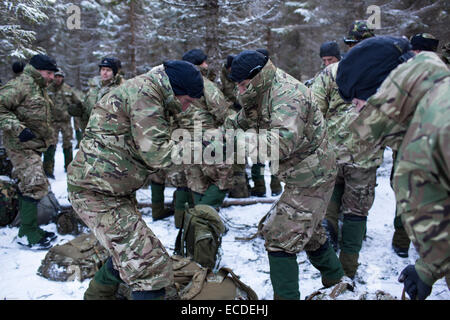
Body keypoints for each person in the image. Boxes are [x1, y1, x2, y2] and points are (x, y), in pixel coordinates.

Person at [67, 60, 205, 300]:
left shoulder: (151, 92)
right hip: (96, 193)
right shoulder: (144, 95)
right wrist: (207, 148)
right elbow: (158, 153)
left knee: (131, 257)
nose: (185, 108)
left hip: (112, 191)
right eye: (186, 101)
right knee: (149, 266)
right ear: (176, 90)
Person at [225, 50, 345, 300]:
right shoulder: (260, 90)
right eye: (237, 85)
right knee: (310, 233)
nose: (240, 90)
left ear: (257, 77)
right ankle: (337, 280)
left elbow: (280, 143)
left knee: (280, 238)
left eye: (244, 85)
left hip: (314, 176)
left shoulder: (288, 95)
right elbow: (244, 119)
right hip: (299, 174)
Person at [336, 35, 449, 300]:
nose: (357, 109)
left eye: (357, 100)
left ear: (382, 90)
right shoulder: (431, 104)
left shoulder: (439, 120)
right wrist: (428, 268)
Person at [311, 24, 383, 279]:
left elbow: (314, 110)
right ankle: (348, 268)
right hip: (365, 155)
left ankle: (330, 260)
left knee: (331, 198)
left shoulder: (331, 71)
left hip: (333, 151)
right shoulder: (388, 73)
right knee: (356, 213)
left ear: (349, 45)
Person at [0, 54, 58, 249]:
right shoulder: (21, 85)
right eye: (49, 73)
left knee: (30, 185)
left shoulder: (39, 88)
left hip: (34, 146)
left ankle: (29, 228)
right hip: (19, 146)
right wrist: (17, 128)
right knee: (35, 184)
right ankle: (27, 233)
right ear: (37, 70)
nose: (51, 77)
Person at [44, 69, 83, 178]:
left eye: (60, 77)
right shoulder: (47, 89)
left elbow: (78, 102)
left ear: (63, 77)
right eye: (56, 76)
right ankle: (48, 170)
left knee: (68, 144)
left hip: (66, 122)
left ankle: (69, 167)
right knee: (50, 145)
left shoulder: (68, 89)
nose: (58, 79)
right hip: (51, 122)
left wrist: (76, 112)